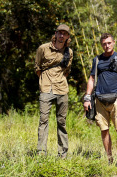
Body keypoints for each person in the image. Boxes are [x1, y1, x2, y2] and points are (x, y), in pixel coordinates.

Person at [83, 33, 117, 165]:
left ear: (114, 42)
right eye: (104, 44)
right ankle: (110, 159)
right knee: (104, 130)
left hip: (116, 99)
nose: (107, 45)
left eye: (109, 43)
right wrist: (87, 98)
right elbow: (92, 79)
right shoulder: (97, 60)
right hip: (99, 100)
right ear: (101, 45)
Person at [34, 24, 73, 158]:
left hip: (62, 88)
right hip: (46, 88)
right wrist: (45, 80)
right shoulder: (43, 48)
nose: (62, 36)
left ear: (68, 36)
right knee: (43, 120)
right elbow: (37, 68)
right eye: (60, 33)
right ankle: (41, 152)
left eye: (65, 34)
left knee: (61, 121)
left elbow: (67, 71)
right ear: (55, 34)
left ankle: (62, 153)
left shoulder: (69, 52)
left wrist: (58, 79)